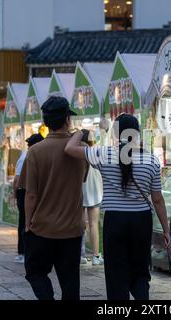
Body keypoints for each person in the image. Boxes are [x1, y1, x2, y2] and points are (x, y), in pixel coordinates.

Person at [65, 113, 171, 300]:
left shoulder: (104, 154)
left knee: (115, 273)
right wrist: (166, 231)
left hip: (115, 221)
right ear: (137, 134)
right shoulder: (151, 160)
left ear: (115, 133)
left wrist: (81, 132)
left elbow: (69, 148)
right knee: (140, 272)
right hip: (141, 221)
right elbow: (158, 200)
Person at [24, 96, 86, 300]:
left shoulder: (35, 151)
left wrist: (27, 223)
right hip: (72, 228)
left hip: (42, 227)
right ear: (67, 119)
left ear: (45, 122)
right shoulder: (80, 151)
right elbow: (82, 179)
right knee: (70, 283)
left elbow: (31, 194)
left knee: (35, 272)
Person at [13, 133, 44, 264]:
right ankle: (22, 252)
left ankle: (28, 251)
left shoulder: (31, 155)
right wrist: (16, 193)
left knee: (28, 221)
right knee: (25, 221)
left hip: (27, 190)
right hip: (24, 191)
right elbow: (17, 179)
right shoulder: (26, 157)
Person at [80, 129, 104, 266]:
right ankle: (96, 256)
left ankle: (81, 255)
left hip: (81, 192)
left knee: (80, 224)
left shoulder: (79, 154)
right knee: (94, 224)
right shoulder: (97, 153)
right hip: (95, 193)